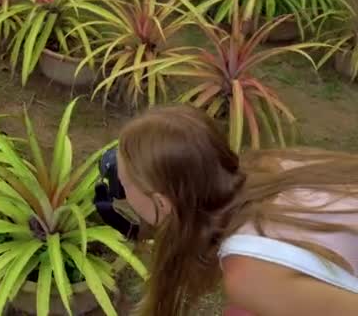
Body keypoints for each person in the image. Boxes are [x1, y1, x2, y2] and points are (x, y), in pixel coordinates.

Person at [115, 104, 358, 316]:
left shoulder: (249, 274)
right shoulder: (268, 167)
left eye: (123, 183)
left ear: (161, 204)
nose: (120, 190)